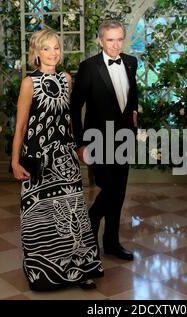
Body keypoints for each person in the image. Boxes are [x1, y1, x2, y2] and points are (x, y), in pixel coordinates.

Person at [11, 28, 103, 291]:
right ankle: (44, 273)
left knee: (73, 211)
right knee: (40, 216)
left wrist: (78, 148)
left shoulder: (66, 79)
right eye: (46, 48)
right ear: (36, 52)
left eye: (56, 48)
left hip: (64, 155)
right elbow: (20, 127)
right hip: (38, 157)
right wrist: (15, 162)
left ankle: (78, 269)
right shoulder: (29, 83)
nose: (53, 53)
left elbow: (68, 119)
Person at [70, 20, 138, 261]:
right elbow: (74, 107)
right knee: (110, 189)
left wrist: (134, 114)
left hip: (124, 139)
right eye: (110, 40)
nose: (115, 45)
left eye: (119, 39)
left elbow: (132, 95)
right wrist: (80, 143)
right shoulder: (89, 67)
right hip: (96, 140)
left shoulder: (131, 62)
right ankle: (90, 222)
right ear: (100, 41)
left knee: (118, 192)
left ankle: (111, 243)